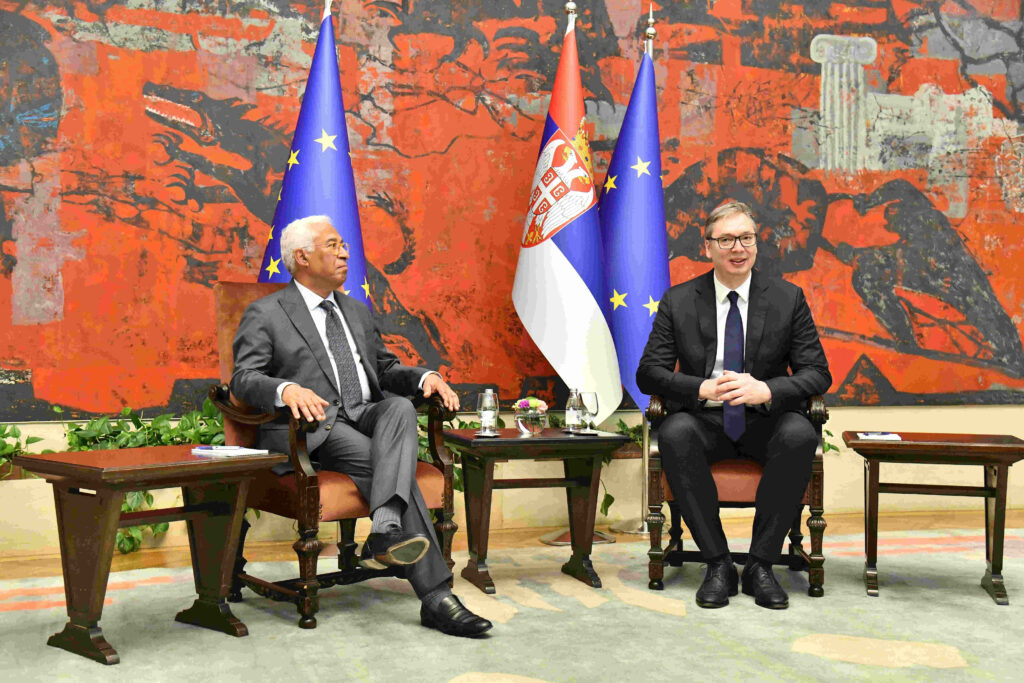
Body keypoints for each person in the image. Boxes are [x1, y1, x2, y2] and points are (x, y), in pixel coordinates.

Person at [231, 214, 492, 637]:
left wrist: (425, 378)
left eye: (344, 246)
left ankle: (384, 530)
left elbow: (384, 369)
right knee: (392, 468)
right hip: (314, 428)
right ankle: (437, 597)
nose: (345, 253)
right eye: (333, 246)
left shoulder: (355, 310)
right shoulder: (266, 313)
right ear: (302, 257)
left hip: (367, 416)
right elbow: (244, 378)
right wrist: (286, 389)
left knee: (400, 408)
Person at [636, 201, 832, 610]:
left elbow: (817, 373)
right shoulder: (678, 300)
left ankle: (761, 565)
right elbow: (649, 373)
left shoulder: (788, 298)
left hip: (765, 420)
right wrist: (701, 387)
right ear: (707, 246)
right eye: (726, 239)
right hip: (705, 420)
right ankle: (718, 563)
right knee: (674, 432)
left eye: (745, 238)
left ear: (756, 244)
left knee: (799, 433)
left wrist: (767, 390)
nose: (738, 248)